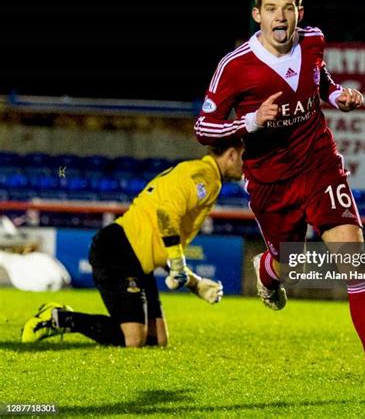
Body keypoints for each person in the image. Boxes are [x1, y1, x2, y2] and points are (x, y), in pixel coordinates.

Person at [194, 0, 365, 403]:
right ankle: (268, 270)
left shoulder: (313, 41)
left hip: (319, 163)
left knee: (354, 260)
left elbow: (320, 78)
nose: (281, 15)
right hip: (271, 180)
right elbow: (204, 126)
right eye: (271, 8)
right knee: (290, 262)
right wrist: (253, 121)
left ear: (299, 13)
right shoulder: (235, 66)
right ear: (257, 16)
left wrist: (337, 96)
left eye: (288, 7)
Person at [22, 138, 245, 348]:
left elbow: (160, 241)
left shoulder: (198, 172)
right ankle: (57, 317)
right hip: (118, 251)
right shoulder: (206, 177)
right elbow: (165, 214)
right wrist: (177, 262)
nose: (249, 165)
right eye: (247, 157)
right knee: (134, 339)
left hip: (135, 256)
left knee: (157, 340)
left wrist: (194, 283)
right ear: (232, 155)